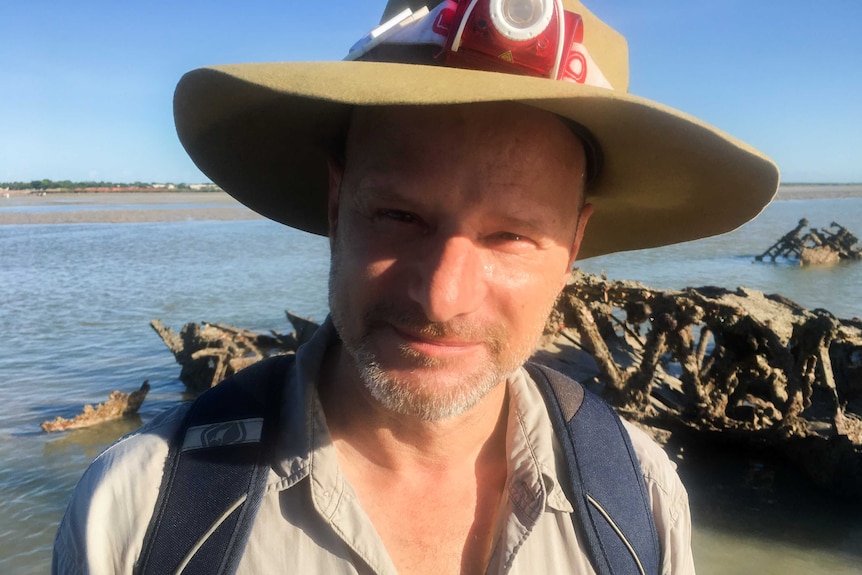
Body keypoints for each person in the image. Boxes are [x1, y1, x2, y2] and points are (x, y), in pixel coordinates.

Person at [53, 1, 779, 574]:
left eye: (510, 235)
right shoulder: (141, 515)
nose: (442, 298)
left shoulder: (638, 502)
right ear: (337, 208)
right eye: (399, 215)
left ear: (573, 247)